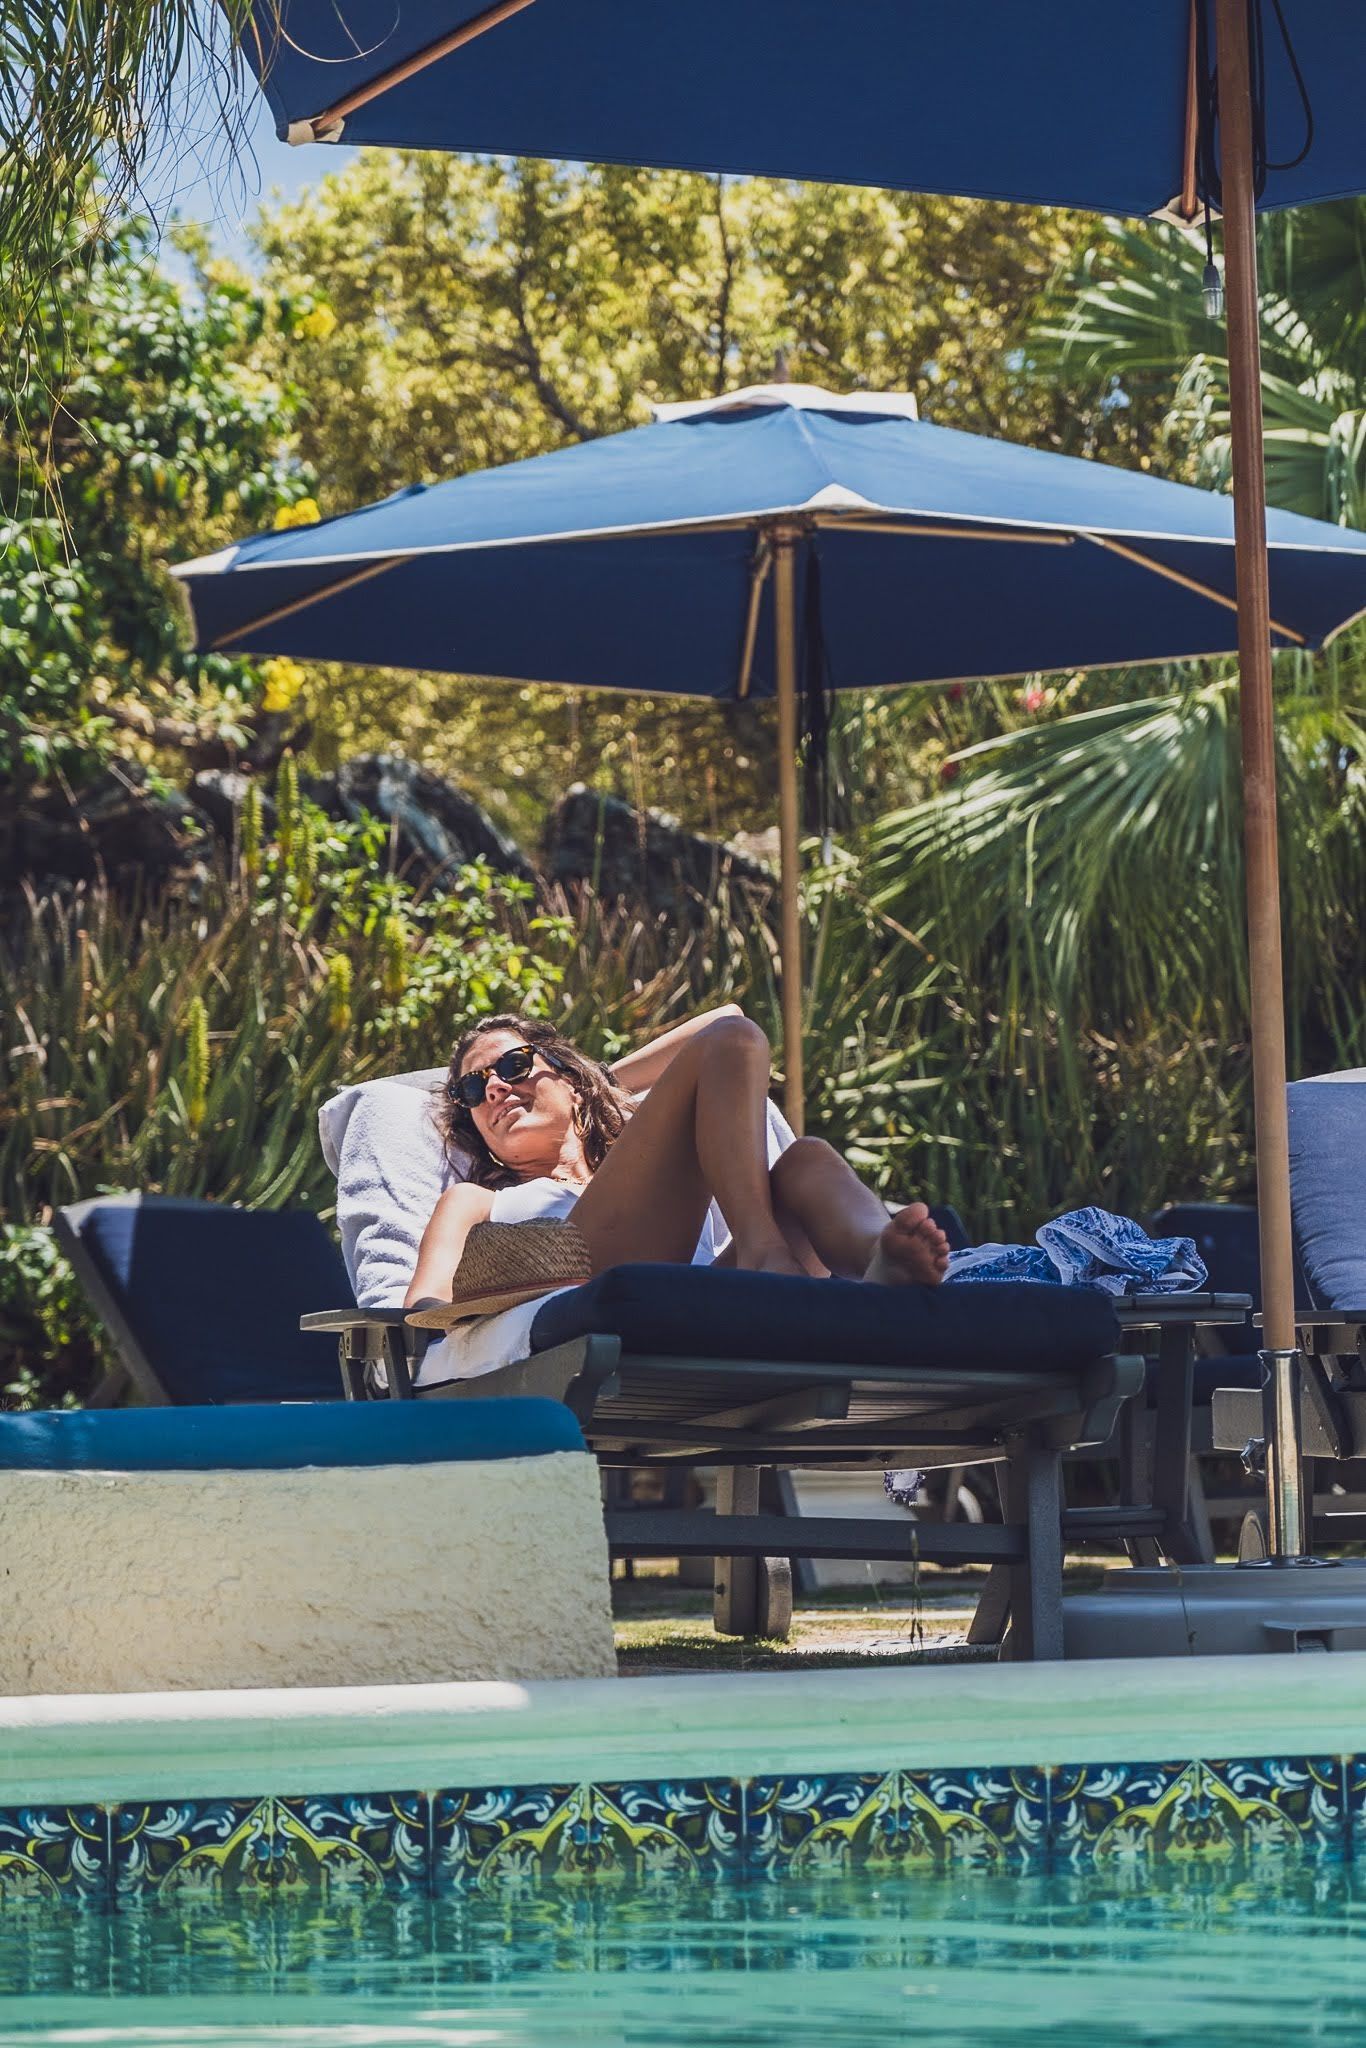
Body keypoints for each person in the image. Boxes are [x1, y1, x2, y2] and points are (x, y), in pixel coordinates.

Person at [404, 1007, 950, 1316]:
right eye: (472, 1091)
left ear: (568, 1082)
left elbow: (728, 1021)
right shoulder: (474, 1200)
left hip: (701, 1299)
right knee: (732, 1042)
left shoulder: (638, 1164)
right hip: (584, 1298)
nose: (495, 1088)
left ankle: (880, 1260)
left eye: (514, 1065)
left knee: (806, 1160)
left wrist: (598, 1080)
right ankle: (767, 1254)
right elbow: (421, 1311)